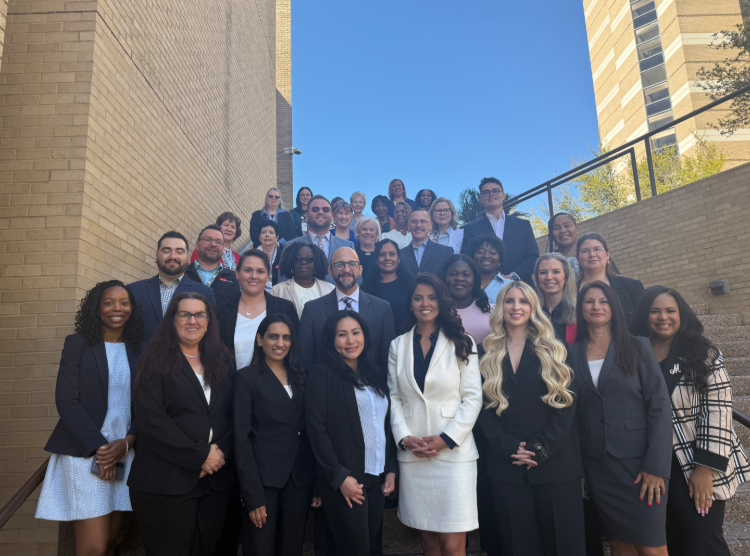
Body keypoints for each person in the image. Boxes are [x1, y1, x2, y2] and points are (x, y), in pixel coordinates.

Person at [632, 286, 750, 556]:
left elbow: (719, 409)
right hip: (654, 461)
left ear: (681, 314)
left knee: (702, 537)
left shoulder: (702, 352)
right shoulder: (636, 352)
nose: (663, 317)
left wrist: (705, 468)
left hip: (696, 457)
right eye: (655, 311)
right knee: (671, 536)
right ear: (644, 315)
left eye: (670, 310)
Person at [475, 281, 584, 556]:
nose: (516, 307)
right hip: (506, 466)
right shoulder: (485, 353)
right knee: (517, 546)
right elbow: (482, 409)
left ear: (533, 307)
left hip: (556, 465)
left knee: (563, 546)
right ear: (500, 307)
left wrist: (540, 448)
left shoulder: (556, 349)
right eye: (509, 301)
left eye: (523, 301)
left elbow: (567, 407)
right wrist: (508, 446)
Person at [35, 281, 143, 556]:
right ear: (97, 308)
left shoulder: (141, 350)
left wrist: (126, 444)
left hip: (126, 454)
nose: (117, 308)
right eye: (108, 302)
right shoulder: (78, 344)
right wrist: (101, 450)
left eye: (124, 302)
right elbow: (66, 400)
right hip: (85, 453)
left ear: (132, 308)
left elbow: (149, 405)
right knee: (93, 548)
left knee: (110, 542)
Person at [567, 282, 672, 555]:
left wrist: (656, 466)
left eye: (603, 301)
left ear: (614, 306)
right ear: (581, 309)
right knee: (619, 544)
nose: (597, 307)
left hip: (640, 465)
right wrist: (578, 470)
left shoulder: (638, 346)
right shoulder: (571, 353)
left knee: (652, 547)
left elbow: (659, 407)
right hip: (598, 466)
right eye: (589, 302)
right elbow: (572, 416)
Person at [128, 292, 235, 556]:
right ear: (172, 320)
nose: (192, 321)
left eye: (199, 314)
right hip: (166, 481)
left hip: (214, 482)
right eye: (184, 314)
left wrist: (221, 450)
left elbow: (236, 414)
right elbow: (152, 419)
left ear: (209, 321)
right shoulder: (154, 360)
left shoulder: (222, 359)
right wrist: (200, 456)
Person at [388, 273, 482, 556]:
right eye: (418, 298)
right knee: (428, 541)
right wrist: (404, 438)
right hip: (414, 454)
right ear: (410, 303)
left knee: (453, 546)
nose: (425, 303)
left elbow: (473, 398)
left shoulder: (462, 341)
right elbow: (393, 397)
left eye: (431, 297)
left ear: (441, 301)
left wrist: (446, 438)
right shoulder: (398, 345)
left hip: (454, 456)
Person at [306, 311, 397, 555]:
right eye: (342, 335)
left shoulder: (375, 374)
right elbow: (316, 430)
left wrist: (391, 468)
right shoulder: (322, 374)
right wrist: (339, 477)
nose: (350, 340)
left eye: (356, 333)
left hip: (376, 478)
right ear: (331, 340)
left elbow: (385, 424)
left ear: (365, 336)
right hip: (347, 480)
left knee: (372, 547)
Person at [234, 314, 318, 556]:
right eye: (273, 336)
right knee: (260, 547)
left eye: (286, 337)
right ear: (260, 340)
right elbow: (241, 439)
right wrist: (252, 495)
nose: (280, 343)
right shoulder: (245, 378)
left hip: (299, 478)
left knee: (292, 547)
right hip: (263, 481)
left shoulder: (302, 377)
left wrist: (315, 486)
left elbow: (311, 431)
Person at [298, 247, 396, 371]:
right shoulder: (312, 310)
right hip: (326, 387)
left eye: (352, 264)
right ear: (330, 271)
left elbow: (388, 358)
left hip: (371, 385)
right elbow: (305, 361)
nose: (346, 269)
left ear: (360, 269)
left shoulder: (382, 309)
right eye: (339, 264)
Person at [215, 250, 299, 370]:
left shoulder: (285, 308)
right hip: (231, 386)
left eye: (260, 271)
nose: (254, 276)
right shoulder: (219, 312)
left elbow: (295, 351)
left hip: (274, 385)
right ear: (237, 274)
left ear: (268, 277)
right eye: (248, 270)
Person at [130, 231, 216, 341]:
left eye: (179, 252)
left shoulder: (204, 293)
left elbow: (211, 335)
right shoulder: (134, 291)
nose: (173, 256)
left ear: (189, 258)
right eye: (166, 251)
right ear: (156, 256)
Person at [460, 177, 540, 284]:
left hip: (520, 287)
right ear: (481, 199)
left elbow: (533, 258)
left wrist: (512, 276)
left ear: (503, 195)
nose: (491, 194)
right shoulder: (470, 229)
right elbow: (467, 260)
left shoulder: (523, 225)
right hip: (484, 290)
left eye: (495, 191)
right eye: (486, 192)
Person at [577, 232, 645, 327]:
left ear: (608, 254)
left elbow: (645, 323)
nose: (592, 254)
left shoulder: (632, 287)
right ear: (578, 259)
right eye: (585, 251)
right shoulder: (569, 290)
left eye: (597, 249)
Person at [284, 195, 354, 269]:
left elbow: (355, 277)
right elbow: (285, 278)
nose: (320, 212)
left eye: (326, 209)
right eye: (315, 209)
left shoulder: (348, 246)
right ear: (307, 216)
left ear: (332, 216)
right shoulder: (290, 246)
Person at [439, 254, 494, 347]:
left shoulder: (492, 311)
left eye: (466, 274)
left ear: (474, 280)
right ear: (443, 278)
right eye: (453, 274)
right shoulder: (434, 312)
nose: (460, 278)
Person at [271, 242, 335, 318]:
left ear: (317, 263)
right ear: (291, 262)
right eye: (298, 258)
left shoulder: (331, 289)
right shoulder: (278, 290)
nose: (303, 262)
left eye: (309, 259)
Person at [361, 239, 412, 333]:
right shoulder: (365, 289)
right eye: (382, 255)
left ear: (399, 259)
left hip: (405, 338)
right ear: (376, 260)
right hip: (376, 339)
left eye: (392, 254)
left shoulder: (411, 285)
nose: (387, 258)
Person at [184, 224, 239, 305]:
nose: (213, 244)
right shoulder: (182, 274)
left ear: (223, 247)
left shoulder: (234, 278)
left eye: (218, 242)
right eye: (207, 239)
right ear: (197, 245)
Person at [533, 253, 577, 346]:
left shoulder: (579, 312)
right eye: (543, 272)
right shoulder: (532, 314)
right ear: (537, 278)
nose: (549, 277)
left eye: (556, 272)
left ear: (566, 277)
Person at [399, 209, 454, 280]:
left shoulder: (445, 252)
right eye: (414, 221)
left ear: (430, 225)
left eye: (423, 221)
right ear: (408, 226)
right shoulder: (399, 254)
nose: (418, 225)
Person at [466, 233, 512, 305]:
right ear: (472, 257)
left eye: (492, 253)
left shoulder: (510, 286)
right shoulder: (462, 282)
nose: (486, 256)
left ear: (500, 259)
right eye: (480, 252)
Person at [547, 212, 581, 280]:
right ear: (551, 235)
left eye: (567, 226)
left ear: (576, 229)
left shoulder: (591, 255)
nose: (563, 231)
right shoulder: (548, 262)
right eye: (556, 228)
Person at [252, 220, 284, 291]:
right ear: (259, 236)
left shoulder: (283, 256)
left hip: (278, 295)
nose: (267, 235)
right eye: (263, 232)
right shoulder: (251, 255)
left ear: (277, 237)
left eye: (271, 232)